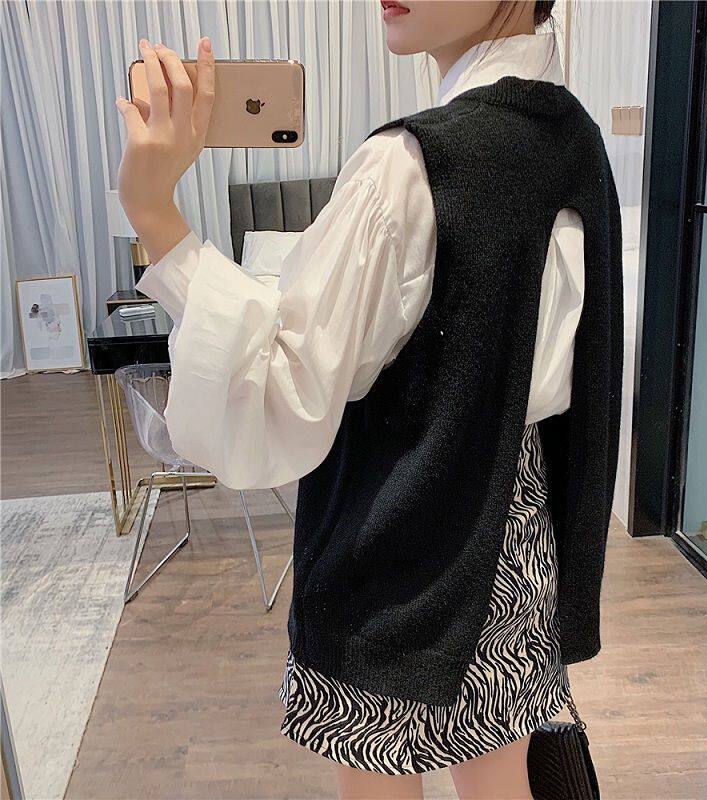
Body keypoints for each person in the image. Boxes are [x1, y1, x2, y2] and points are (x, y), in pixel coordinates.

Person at [115, 1, 623, 797]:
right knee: (501, 781)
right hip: (519, 527)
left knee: (379, 782)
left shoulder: (409, 165)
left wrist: (155, 215)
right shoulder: (571, 135)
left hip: (399, 538)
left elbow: (282, 399)